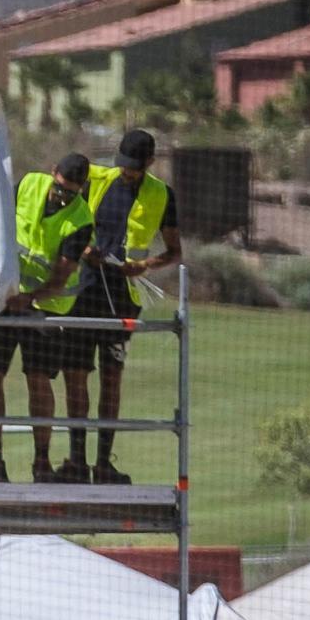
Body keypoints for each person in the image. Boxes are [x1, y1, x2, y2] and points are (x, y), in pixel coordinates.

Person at [59, 128, 184, 484]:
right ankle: (77, 460)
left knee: (111, 378)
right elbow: (62, 218)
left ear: (149, 163)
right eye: (123, 166)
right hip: (84, 291)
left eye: (134, 168)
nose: (127, 173)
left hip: (123, 300)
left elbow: (175, 252)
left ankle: (103, 462)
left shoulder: (162, 195)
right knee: (76, 375)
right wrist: (80, 248)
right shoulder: (95, 179)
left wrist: (145, 266)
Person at [0, 154, 93, 483]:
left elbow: (61, 277)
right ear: (52, 173)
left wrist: (31, 298)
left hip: (44, 308)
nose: (62, 197)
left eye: (70, 193)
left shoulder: (80, 220)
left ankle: (42, 462)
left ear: (81, 190)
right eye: (60, 188)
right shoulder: (30, 184)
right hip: (6, 298)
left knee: (39, 379)